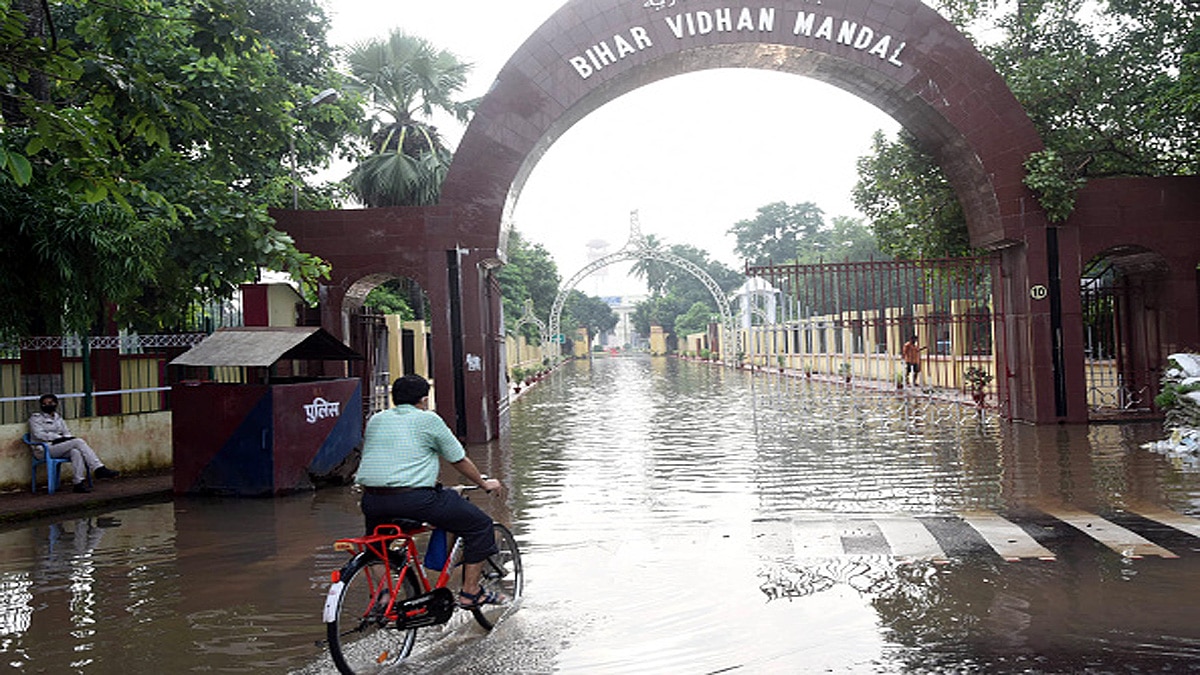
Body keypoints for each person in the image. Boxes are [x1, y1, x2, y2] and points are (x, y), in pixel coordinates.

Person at [356, 375, 505, 609]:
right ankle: (471, 592)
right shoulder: (428, 419)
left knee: (377, 545)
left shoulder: (376, 419)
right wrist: (485, 483)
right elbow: (459, 459)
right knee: (479, 525)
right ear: (424, 399)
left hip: (372, 500)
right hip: (416, 500)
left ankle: (384, 594)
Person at [28, 394, 120, 493]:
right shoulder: (35, 418)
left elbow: (66, 432)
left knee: (75, 452)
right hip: (43, 450)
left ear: (56, 403)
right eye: (44, 404)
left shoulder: (58, 418)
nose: (47, 405)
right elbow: (38, 434)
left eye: (50, 403)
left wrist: (65, 438)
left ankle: (78, 483)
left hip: (59, 447)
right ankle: (98, 468)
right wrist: (59, 438)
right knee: (78, 442)